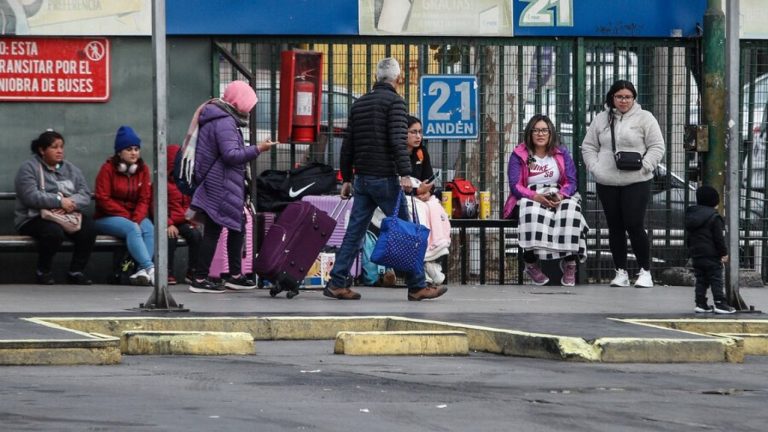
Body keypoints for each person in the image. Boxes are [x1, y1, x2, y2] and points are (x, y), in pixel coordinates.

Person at [324, 57, 447, 301]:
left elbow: (348, 144)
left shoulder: (359, 105)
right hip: (385, 179)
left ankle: (337, 281)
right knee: (406, 231)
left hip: (363, 179)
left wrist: (347, 177)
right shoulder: (396, 103)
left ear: (376, 78)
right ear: (398, 79)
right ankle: (417, 285)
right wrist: (404, 173)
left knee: (355, 231)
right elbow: (396, 141)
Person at [187, 80, 275, 293]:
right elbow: (231, 155)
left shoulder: (222, 118)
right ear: (240, 102)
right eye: (249, 103)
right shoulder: (224, 121)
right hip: (221, 183)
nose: (251, 108)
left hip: (224, 183)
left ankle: (235, 275)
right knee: (214, 230)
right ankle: (200, 278)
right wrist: (258, 149)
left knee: (236, 226)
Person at [581, 79, 665, 288]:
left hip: (636, 180)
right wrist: (595, 167)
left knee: (634, 224)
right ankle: (621, 272)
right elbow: (588, 146)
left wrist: (645, 165)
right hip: (607, 181)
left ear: (634, 98)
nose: (623, 101)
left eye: (628, 97)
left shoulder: (646, 118)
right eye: (619, 97)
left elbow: (657, 146)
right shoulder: (601, 119)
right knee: (615, 227)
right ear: (612, 97)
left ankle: (645, 271)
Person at [503, 114, 586, 287]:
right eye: (536, 130)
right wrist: (536, 197)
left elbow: (571, 181)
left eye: (544, 130)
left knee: (571, 209)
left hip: (557, 192)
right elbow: (515, 185)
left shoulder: (561, 153)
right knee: (530, 210)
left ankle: (570, 261)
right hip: (529, 195)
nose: (540, 134)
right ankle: (530, 262)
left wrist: (561, 195)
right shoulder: (519, 154)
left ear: (550, 133)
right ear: (530, 133)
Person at [14, 130, 97, 285]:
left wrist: (70, 203)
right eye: (54, 147)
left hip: (67, 215)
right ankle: (43, 271)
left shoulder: (72, 170)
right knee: (53, 232)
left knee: (89, 228)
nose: (59, 151)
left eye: (61, 147)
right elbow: (31, 196)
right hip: (33, 218)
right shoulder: (28, 168)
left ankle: (76, 271)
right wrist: (59, 201)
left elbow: (85, 194)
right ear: (42, 150)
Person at [93, 125, 155, 286]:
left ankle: (141, 271)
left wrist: (136, 217)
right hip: (107, 217)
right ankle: (151, 268)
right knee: (132, 229)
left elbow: (144, 199)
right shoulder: (107, 169)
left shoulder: (143, 170)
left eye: (136, 149)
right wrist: (130, 219)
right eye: (129, 149)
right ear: (119, 152)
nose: (134, 152)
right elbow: (103, 199)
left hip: (134, 216)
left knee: (149, 229)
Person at [404, 115, 450, 284]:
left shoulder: (422, 153)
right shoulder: (398, 154)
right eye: (413, 132)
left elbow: (429, 180)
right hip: (405, 198)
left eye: (420, 132)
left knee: (435, 207)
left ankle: (433, 254)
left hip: (420, 196)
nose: (418, 136)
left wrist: (428, 193)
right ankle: (427, 261)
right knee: (421, 210)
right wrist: (417, 191)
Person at [685, 186, 735, 314]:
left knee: (701, 279)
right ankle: (720, 303)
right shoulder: (714, 217)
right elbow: (718, 239)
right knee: (715, 278)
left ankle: (700, 303)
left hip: (696, 254)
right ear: (714, 201)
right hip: (711, 254)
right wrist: (723, 253)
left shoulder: (691, 215)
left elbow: (689, 237)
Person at [166, 144, 202, 285]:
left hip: (183, 221)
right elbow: (156, 207)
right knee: (170, 237)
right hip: (168, 222)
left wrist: (192, 222)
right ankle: (167, 271)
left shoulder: (185, 182)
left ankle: (192, 271)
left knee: (196, 235)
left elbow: (191, 204)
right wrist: (168, 224)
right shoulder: (163, 183)